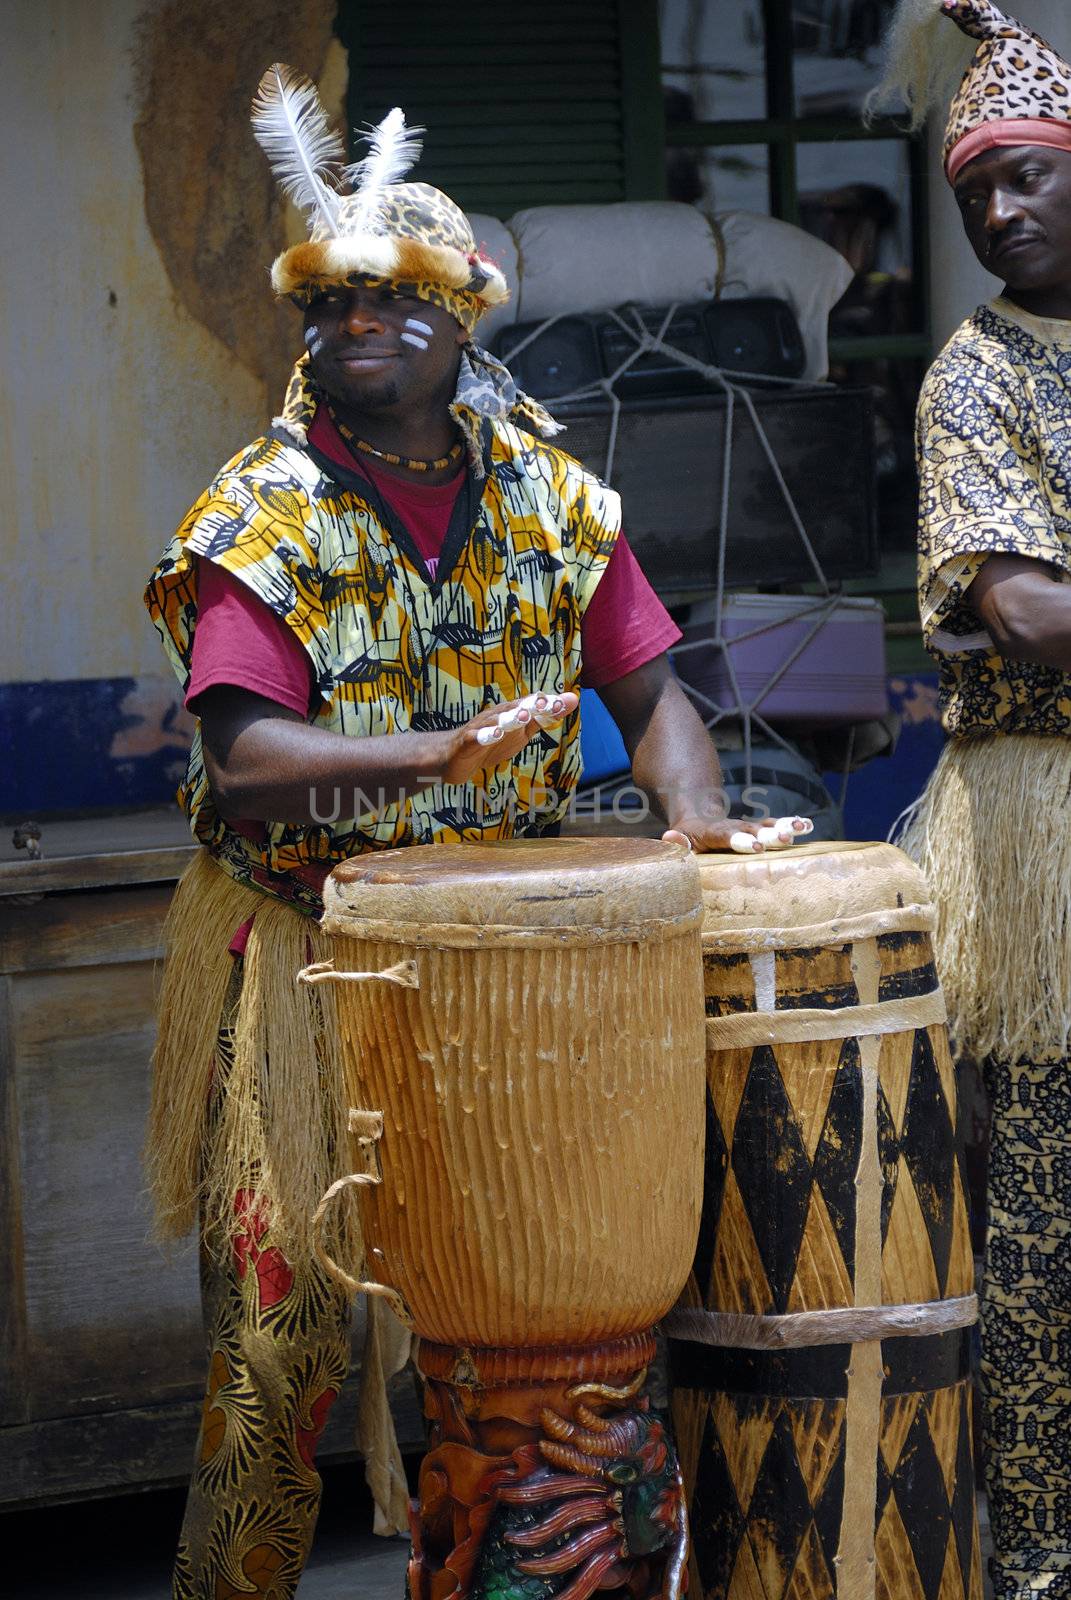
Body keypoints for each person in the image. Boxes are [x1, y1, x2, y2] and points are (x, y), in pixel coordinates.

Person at [144, 66, 775, 1599]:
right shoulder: (263, 511)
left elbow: (651, 680)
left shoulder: (553, 499)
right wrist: (438, 750)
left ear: (463, 317)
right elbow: (245, 761)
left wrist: (692, 818)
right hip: (307, 958)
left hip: (507, 980)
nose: (356, 327)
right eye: (331, 305)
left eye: (393, 302)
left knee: (528, 1336)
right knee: (277, 1348)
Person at [875, 3, 1071, 1594]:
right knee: (1043, 1230)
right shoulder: (971, 377)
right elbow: (1021, 608)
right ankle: (1042, 1557)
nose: (1000, 215)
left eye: (1026, 180)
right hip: (1041, 837)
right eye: (974, 199)